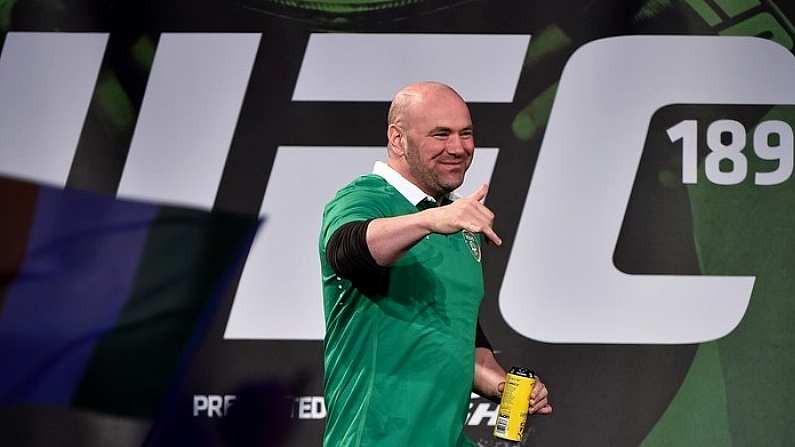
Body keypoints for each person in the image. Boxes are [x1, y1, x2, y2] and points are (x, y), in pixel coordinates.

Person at [319, 81, 552, 446]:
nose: (458, 148)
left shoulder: (457, 218)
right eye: (441, 134)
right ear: (398, 139)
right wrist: (428, 220)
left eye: (466, 134)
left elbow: (456, 329)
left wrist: (500, 384)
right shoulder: (366, 197)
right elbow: (347, 252)